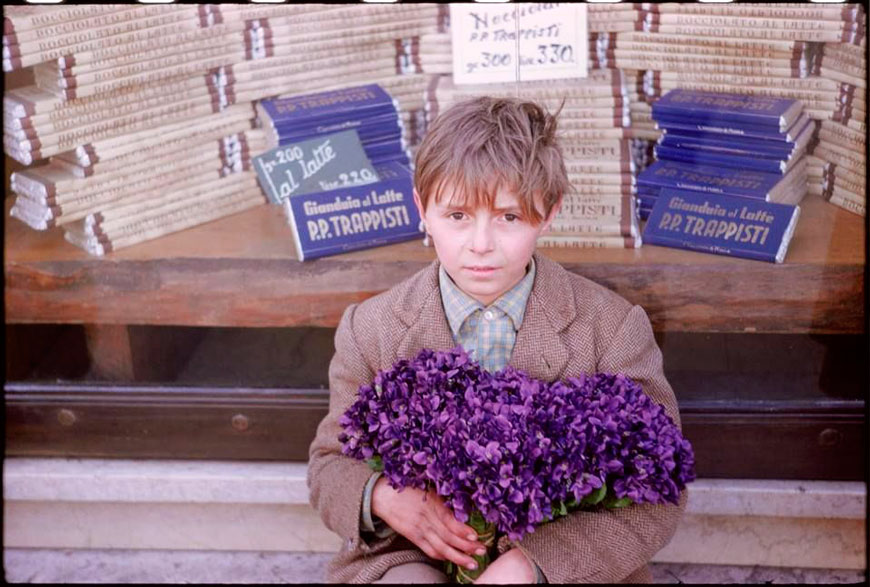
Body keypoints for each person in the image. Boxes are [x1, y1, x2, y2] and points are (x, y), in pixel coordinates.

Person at [308, 96, 686, 583]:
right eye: (458, 216)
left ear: (548, 213)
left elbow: (659, 491)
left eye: (509, 217)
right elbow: (328, 465)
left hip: (558, 564)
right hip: (411, 556)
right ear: (422, 208)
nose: (481, 244)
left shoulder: (610, 328)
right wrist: (380, 494)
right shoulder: (372, 327)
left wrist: (533, 564)